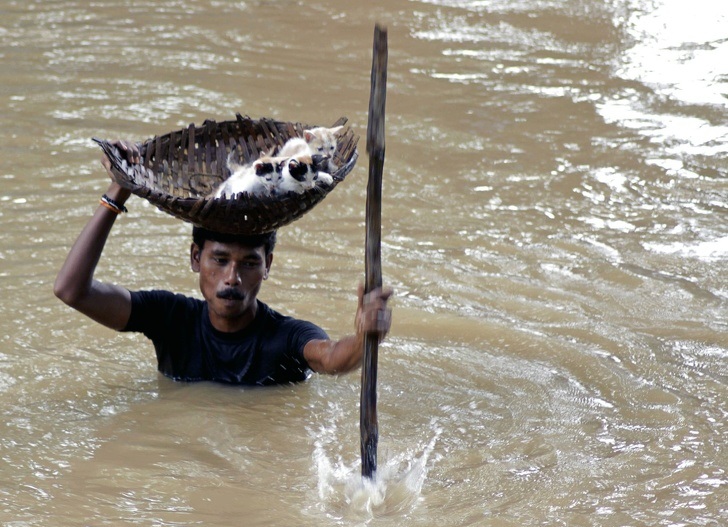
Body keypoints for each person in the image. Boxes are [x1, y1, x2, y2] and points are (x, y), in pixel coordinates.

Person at [54, 141, 393, 386]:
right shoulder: (170, 319)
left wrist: (366, 338)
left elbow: (333, 358)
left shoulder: (287, 336)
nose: (232, 278)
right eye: (219, 260)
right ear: (195, 258)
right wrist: (117, 191)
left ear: (268, 265)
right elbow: (71, 290)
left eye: (248, 263)